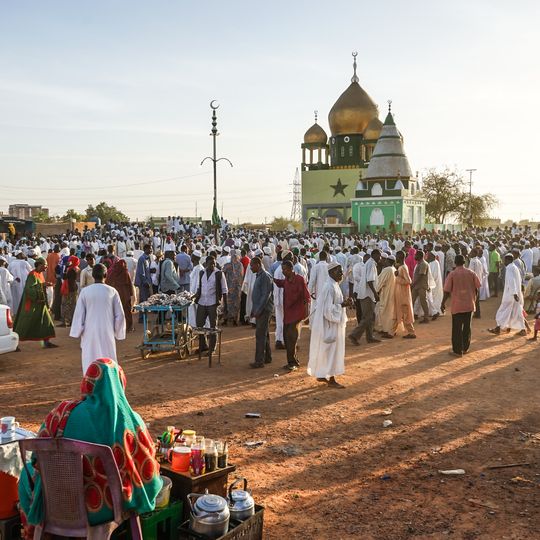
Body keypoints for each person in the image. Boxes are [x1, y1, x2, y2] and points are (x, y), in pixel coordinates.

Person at [18, 358, 162, 539]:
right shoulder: (131, 421)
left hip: (58, 502)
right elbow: (149, 471)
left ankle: (36, 531)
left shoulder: (63, 412)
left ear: (87, 383)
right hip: (106, 509)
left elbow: (36, 459)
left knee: (26, 475)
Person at [70, 264, 126, 373]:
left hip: (89, 333)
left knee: (90, 361)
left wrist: (78, 331)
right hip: (107, 332)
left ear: (93, 275)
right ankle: (108, 383)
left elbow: (79, 315)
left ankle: (91, 384)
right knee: (108, 360)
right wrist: (117, 332)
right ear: (106, 275)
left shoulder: (85, 292)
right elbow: (119, 315)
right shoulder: (112, 291)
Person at [307, 262, 349, 388]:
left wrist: (344, 303)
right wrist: (342, 305)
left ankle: (321, 374)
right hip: (329, 324)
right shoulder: (329, 287)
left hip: (332, 323)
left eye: (341, 271)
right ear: (331, 272)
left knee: (326, 350)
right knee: (331, 351)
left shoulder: (334, 285)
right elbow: (327, 310)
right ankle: (331, 379)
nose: (341, 273)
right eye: (339, 271)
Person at [273, 260, 311, 371]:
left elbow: (306, 297)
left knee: (291, 338)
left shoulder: (299, 279)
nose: (284, 271)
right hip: (288, 314)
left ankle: (292, 362)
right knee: (287, 338)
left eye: (285, 269)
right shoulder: (286, 280)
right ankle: (292, 360)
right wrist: (273, 279)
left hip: (297, 314)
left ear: (291, 269)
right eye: (283, 269)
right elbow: (280, 283)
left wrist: (306, 315)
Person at [441, 254, 481, 356]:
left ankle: (458, 350)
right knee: (467, 327)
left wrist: (442, 303)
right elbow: (477, 287)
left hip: (457, 305)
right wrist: (474, 299)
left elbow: (446, 291)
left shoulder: (452, 274)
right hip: (469, 305)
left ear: (455, 262)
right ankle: (465, 348)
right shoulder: (471, 273)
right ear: (464, 262)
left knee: (457, 329)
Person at [13, 257, 57, 348]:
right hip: (32, 303)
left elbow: (40, 286)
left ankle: (46, 342)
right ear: (39, 264)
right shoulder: (32, 275)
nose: (46, 268)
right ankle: (14, 344)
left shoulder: (40, 274)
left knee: (46, 322)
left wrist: (44, 285)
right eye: (45, 266)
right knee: (25, 324)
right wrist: (42, 285)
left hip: (41, 303)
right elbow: (29, 289)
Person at [194, 255, 228, 353]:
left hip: (213, 302)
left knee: (213, 327)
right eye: (210, 263)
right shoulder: (202, 273)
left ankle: (212, 349)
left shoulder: (219, 274)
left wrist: (225, 305)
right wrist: (194, 296)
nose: (212, 265)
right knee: (199, 325)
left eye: (214, 263)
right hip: (202, 302)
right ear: (206, 264)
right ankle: (203, 345)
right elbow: (199, 287)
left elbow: (224, 290)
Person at [488, 254, 527, 336]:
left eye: (504, 260)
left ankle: (498, 328)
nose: (503, 262)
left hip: (511, 294)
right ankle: (521, 329)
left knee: (502, 311)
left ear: (508, 260)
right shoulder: (515, 267)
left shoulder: (509, 268)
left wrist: (514, 293)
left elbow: (511, 281)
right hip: (515, 294)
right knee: (516, 312)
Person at [348, 249, 381, 345]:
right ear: (375, 255)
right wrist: (375, 293)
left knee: (371, 316)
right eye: (379, 256)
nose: (380, 258)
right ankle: (354, 335)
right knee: (368, 316)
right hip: (367, 294)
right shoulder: (371, 264)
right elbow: (370, 280)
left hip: (366, 294)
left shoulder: (370, 264)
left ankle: (370, 337)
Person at [249, 256, 274, 368]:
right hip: (260, 309)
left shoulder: (265, 276)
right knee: (265, 334)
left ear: (258, 265)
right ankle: (267, 357)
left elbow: (266, 295)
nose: (250, 268)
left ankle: (259, 361)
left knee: (260, 335)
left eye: (252, 265)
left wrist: (258, 310)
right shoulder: (260, 275)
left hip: (264, 310)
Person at [107, 259, 136, 332]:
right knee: (126, 311)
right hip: (125, 295)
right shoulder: (125, 272)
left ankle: (117, 328)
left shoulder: (112, 272)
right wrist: (131, 294)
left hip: (115, 295)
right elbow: (130, 284)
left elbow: (108, 283)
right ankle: (128, 327)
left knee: (116, 311)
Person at [393, 250, 416, 338]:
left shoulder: (403, 267)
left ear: (400, 257)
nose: (396, 258)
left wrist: (397, 277)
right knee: (398, 312)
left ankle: (411, 332)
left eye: (397, 256)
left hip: (403, 294)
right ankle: (392, 331)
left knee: (405, 313)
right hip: (400, 293)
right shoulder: (401, 267)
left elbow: (408, 281)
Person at [376, 255, 396, 338]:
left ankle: (387, 331)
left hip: (386, 294)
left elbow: (379, 282)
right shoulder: (394, 269)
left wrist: (376, 291)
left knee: (384, 312)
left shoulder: (387, 270)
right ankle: (387, 329)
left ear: (388, 261)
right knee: (389, 312)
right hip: (392, 293)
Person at [222, 249, 244, 326]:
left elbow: (222, 272)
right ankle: (233, 319)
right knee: (233, 304)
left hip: (231, 288)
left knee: (230, 304)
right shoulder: (239, 265)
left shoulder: (228, 265)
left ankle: (230, 319)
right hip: (235, 288)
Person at [59, 255, 80, 327]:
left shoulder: (71, 269)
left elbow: (65, 277)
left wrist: (66, 269)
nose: (69, 262)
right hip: (74, 288)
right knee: (72, 305)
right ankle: (71, 321)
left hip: (69, 289)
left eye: (71, 261)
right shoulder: (76, 268)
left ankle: (64, 321)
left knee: (65, 304)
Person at [134, 244, 153, 322]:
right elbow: (142, 273)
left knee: (144, 299)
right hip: (143, 283)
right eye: (150, 249)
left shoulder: (148, 258)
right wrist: (145, 282)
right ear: (146, 249)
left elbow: (146, 270)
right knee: (143, 300)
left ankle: (143, 317)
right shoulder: (142, 259)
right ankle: (142, 318)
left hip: (146, 281)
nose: (151, 250)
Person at [307, 250, 329, 317]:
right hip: (328, 292)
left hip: (318, 292)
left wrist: (309, 293)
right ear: (326, 257)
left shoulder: (316, 267)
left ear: (319, 257)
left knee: (317, 312)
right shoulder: (329, 267)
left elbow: (312, 281)